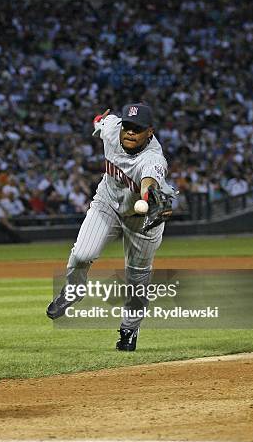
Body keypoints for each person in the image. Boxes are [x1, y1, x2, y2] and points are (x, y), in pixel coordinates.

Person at [46, 104, 175, 351]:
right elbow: (100, 121)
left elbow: (150, 180)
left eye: (137, 129)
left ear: (150, 132)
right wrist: (99, 120)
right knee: (82, 254)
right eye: (127, 126)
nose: (129, 132)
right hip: (107, 203)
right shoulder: (113, 127)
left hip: (143, 220)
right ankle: (73, 291)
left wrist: (150, 194)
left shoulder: (154, 158)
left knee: (138, 277)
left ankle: (129, 330)